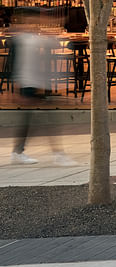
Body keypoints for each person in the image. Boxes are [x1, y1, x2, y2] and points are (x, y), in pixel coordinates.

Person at [10, 10, 76, 166]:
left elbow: (53, 44)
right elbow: (16, 64)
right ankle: (56, 154)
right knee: (45, 119)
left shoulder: (31, 38)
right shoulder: (25, 39)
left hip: (36, 83)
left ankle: (20, 151)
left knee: (38, 119)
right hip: (28, 84)